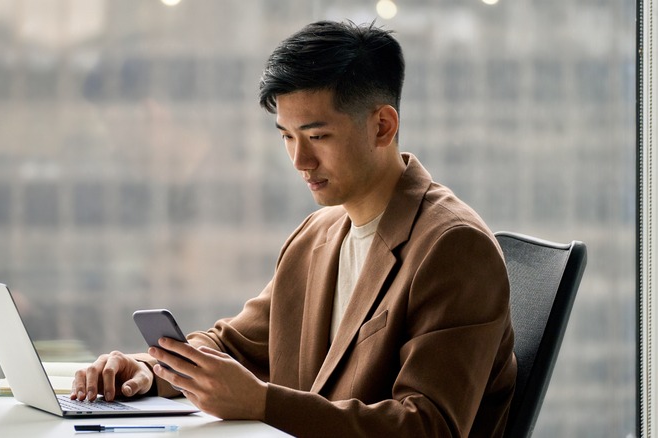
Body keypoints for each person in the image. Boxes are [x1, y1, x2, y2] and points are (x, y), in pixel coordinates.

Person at [72, 20, 517, 437]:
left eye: (317, 136)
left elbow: (428, 426)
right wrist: (151, 371)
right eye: (286, 136)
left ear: (382, 126)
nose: (300, 161)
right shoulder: (318, 234)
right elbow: (236, 345)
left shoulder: (453, 246)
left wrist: (264, 404)